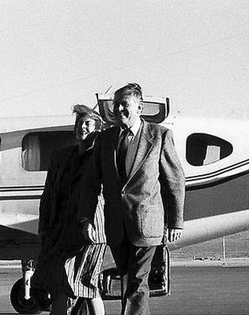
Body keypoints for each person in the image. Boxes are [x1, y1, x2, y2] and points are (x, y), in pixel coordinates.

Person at [79, 83, 185, 315]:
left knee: (137, 282)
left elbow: (174, 180)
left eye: (124, 105)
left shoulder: (159, 135)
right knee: (128, 283)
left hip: (147, 225)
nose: (118, 110)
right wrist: (86, 218)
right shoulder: (105, 139)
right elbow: (91, 184)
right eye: (115, 105)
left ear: (140, 107)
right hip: (116, 226)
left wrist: (175, 221)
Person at [32, 105, 107, 315]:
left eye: (87, 123)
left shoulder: (101, 157)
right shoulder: (60, 157)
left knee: (87, 285)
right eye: (79, 123)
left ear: (98, 129)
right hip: (59, 229)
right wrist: (44, 227)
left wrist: (91, 223)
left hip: (88, 231)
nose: (82, 127)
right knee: (58, 283)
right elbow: (48, 195)